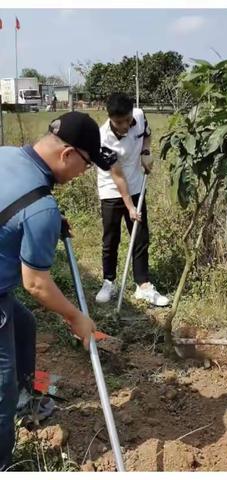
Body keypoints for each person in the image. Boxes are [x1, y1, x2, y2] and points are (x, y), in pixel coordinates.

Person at [0, 111, 115, 471]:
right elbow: (36, 284)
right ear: (67, 155)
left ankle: (27, 398)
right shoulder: (40, 209)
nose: (84, 174)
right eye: (85, 165)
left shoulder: (7, 155)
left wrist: (42, 217)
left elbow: (14, 204)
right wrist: (76, 316)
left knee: (25, 325)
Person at [95, 93, 169, 307]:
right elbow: (117, 176)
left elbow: (146, 135)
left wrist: (146, 151)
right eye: (119, 122)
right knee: (111, 238)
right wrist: (129, 207)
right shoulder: (103, 138)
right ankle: (109, 282)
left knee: (140, 236)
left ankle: (142, 285)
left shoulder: (139, 116)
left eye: (127, 120)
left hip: (137, 185)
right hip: (111, 188)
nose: (125, 126)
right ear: (110, 118)